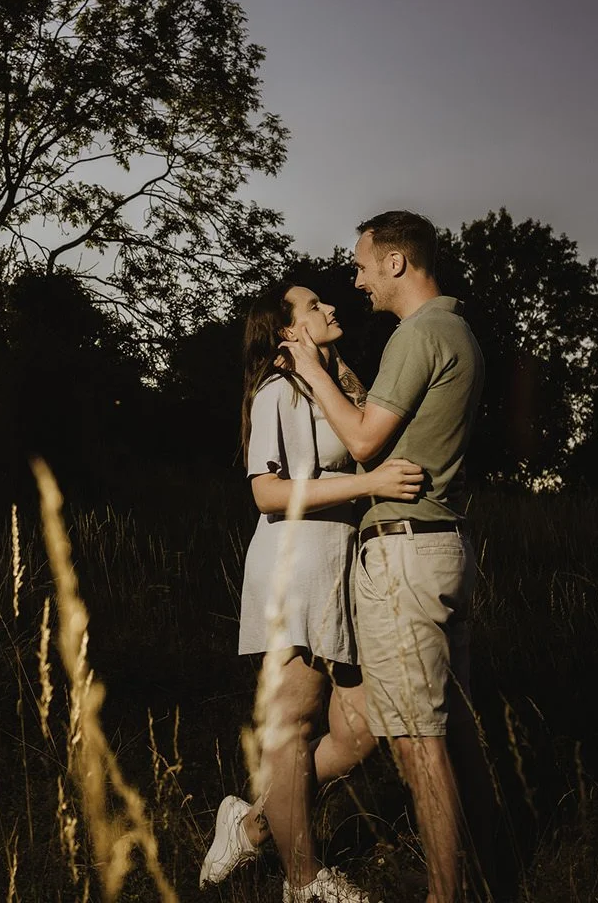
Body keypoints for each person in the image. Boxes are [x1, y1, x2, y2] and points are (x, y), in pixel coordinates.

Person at [281, 211, 485, 903]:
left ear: (397, 262)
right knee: (436, 731)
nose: (357, 279)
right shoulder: (453, 331)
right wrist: (336, 374)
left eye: (363, 264)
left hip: (404, 559)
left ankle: (442, 895)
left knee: (417, 744)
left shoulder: (418, 333)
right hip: (443, 548)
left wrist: (310, 366)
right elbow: (394, 432)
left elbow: (367, 443)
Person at [200, 281, 426, 902]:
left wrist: (327, 364)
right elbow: (266, 495)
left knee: (359, 733)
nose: (331, 307)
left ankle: (250, 823)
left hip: (342, 571)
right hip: (294, 568)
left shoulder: (328, 385)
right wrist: (367, 484)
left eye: (326, 301)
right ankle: (305, 883)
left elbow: (368, 433)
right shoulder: (277, 392)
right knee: (294, 726)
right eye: (313, 306)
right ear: (284, 331)